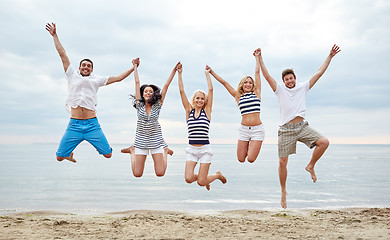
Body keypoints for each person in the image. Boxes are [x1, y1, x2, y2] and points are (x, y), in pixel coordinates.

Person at [257, 44, 341, 208]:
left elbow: (319, 73)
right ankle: (283, 191)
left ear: (295, 78)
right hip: (285, 130)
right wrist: (260, 58)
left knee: (324, 142)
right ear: (283, 81)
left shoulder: (303, 87)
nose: (289, 81)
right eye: (286, 79)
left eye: (291, 78)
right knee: (282, 163)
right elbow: (267, 77)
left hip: (302, 127)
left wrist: (330, 56)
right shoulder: (279, 89)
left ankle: (310, 165)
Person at [46, 22, 136, 163]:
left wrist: (133, 67)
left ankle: (99, 144)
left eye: (89, 66)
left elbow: (119, 78)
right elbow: (61, 53)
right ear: (79, 67)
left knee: (108, 155)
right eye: (84, 65)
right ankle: (69, 154)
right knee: (59, 158)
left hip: (92, 125)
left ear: (92, 69)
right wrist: (55, 35)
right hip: (74, 124)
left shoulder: (97, 79)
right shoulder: (71, 74)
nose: (86, 67)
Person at [121, 59, 177, 177]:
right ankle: (132, 150)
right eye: (145, 91)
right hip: (141, 141)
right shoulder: (139, 105)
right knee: (137, 174)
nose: (148, 93)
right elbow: (137, 82)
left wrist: (174, 71)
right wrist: (135, 66)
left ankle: (165, 151)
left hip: (156, 140)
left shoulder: (157, 105)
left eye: (150, 91)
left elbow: (166, 86)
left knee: (160, 173)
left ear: (153, 94)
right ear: (142, 94)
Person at [207, 49, 265, 163]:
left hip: (257, 130)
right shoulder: (238, 95)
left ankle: (253, 142)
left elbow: (257, 73)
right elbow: (224, 82)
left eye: (250, 82)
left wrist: (257, 58)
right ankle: (249, 142)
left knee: (251, 159)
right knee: (241, 159)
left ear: (252, 85)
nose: (248, 84)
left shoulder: (257, 93)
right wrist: (211, 72)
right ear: (242, 85)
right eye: (245, 82)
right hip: (244, 130)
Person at [176, 63, 227, 190]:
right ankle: (205, 178)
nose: (199, 100)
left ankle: (216, 176)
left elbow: (211, 90)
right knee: (188, 179)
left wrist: (207, 74)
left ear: (205, 101)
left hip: (205, 150)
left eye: (202, 99)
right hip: (192, 150)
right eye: (197, 98)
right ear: (193, 100)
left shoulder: (207, 111)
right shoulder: (189, 111)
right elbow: (182, 91)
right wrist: (180, 73)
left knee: (200, 182)